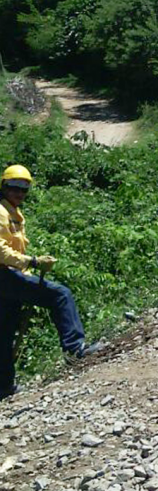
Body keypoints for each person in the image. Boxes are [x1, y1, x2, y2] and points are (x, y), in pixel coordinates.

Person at [1, 165, 106, 401]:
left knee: (5, 331)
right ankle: (75, 348)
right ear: (4, 186)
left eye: (24, 188)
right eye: (14, 187)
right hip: (4, 275)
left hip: (10, 276)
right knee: (60, 295)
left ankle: (4, 387)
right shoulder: (0, 212)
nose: (19, 192)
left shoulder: (14, 214)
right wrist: (33, 262)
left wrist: (27, 268)